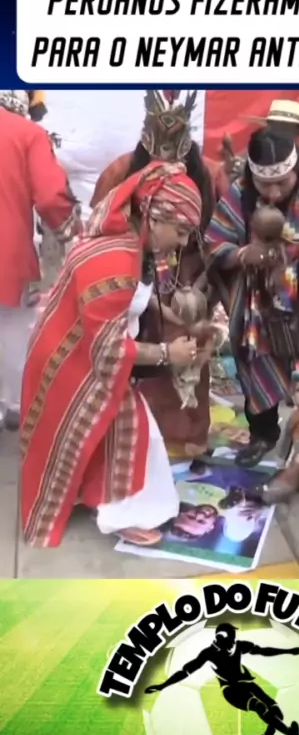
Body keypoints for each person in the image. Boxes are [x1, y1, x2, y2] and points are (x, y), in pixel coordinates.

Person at [20, 160, 203, 548]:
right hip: (75, 363)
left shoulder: (128, 239)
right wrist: (168, 353)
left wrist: (170, 315)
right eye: (181, 231)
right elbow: (109, 350)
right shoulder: (116, 258)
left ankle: (94, 495)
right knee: (133, 434)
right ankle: (126, 515)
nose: (183, 242)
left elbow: (129, 301)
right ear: (154, 217)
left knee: (102, 432)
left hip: (77, 352)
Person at [91, 90, 228, 458]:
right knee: (140, 350)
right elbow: (101, 230)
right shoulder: (120, 172)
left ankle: (186, 436)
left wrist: (203, 293)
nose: (166, 174)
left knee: (189, 347)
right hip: (134, 273)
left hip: (189, 278)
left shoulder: (211, 174)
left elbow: (222, 240)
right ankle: (138, 437)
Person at [205, 127, 299, 467]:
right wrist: (243, 255)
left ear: (296, 169)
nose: (273, 191)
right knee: (254, 358)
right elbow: (214, 243)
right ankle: (263, 433)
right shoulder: (241, 193)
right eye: (264, 184)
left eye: (282, 182)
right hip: (260, 301)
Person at [0, 89, 80, 432]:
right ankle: (16, 406)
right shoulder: (28, 133)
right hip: (6, 256)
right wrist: (71, 235)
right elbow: (50, 197)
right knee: (13, 331)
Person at [145, 622, 299, 735]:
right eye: (231, 638)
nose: (234, 641)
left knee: (277, 713)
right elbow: (186, 671)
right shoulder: (209, 653)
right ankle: (291, 734)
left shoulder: (238, 646)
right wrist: (162, 685)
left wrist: (289, 651)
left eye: (234, 638)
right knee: (259, 706)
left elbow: (263, 651)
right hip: (231, 691)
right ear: (221, 639)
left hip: (247, 684)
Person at [243, 99, 299, 164]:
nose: (278, 133)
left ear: (298, 132)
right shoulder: (249, 157)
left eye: (286, 127)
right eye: (275, 127)